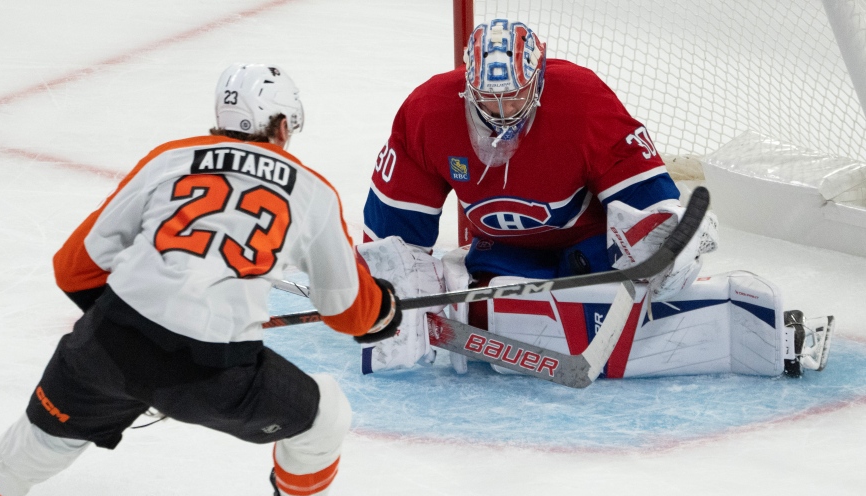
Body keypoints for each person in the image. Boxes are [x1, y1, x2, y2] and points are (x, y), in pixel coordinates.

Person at [0, 63, 399, 496]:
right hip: (215, 373)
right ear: (283, 126)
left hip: (107, 344)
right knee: (326, 412)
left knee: (28, 449)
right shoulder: (311, 190)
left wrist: (139, 339)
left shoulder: (169, 159)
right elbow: (347, 310)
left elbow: (74, 267)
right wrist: (384, 311)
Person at [357, 19, 833, 379]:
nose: (501, 115)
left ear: (537, 83)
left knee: (642, 276)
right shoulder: (426, 113)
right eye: (488, 100)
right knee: (456, 297)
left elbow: (649, 203)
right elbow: (392, 235)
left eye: (514, 99)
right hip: (502, 262)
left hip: (592, 255)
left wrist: (666, 245)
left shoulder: (581, 101)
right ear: (468, 86)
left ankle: (759, 331)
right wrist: (384, 294)